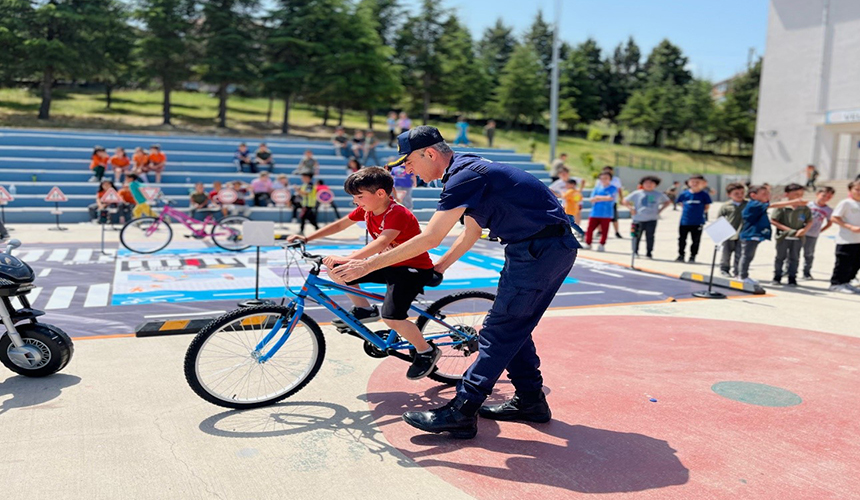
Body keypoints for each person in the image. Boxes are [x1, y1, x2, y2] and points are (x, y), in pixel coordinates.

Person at [330, 126, 578, 440]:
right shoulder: (469, 168)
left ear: (429, 153)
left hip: (540, 251)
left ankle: (462, 410)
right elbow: (471, 231)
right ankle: (531, 402)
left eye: (409, 162)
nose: (407, 171)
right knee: (513, 326)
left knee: (499, 330)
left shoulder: (465, 177)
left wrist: (366, 265)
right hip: (534, 249)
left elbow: (432, 236)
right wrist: (440, 267)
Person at [287, 167, 441, 379]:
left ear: (380, 194)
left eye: (360, 196)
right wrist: (307, 238)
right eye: (353, 197)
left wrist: (351, 259)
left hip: (411, 270)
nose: (355, 201)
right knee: (338, 270)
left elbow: (382, 242)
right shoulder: (368, 210)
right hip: (388, 264)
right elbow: (341, 224)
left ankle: (426, 351)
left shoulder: (397, 213)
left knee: (392, 317)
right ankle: (364, 309)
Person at [737, 185, 805, 285]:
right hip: (750, 234)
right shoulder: (754, 204)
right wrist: (793, 202)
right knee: (747, 256)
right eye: (764, 194)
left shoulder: (758, 204)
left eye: (768, 194)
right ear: (753, 195)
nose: (767, 196)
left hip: (755, 234)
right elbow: (773, 205)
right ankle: (742, 276)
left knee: (749, 256)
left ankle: (743, 275)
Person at [770, 183, 813, 286]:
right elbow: (773, 220)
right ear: (787, 194)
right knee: (780, 257)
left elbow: (809, 221)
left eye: (801, 194)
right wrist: (789, 230)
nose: (799, 196)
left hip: (798, 238)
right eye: (796, 194)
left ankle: (792, 278)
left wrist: (804, 230)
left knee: (795, 258)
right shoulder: (782, 206)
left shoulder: (804, 208)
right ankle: (777, 277)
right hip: (783, 236)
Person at [624, 176, 671, 258]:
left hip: (652, 219)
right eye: (646, 183)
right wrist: (630, 208)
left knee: (650, 236)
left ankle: (649, 252)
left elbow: (667, 202)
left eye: (651, 183)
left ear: (655, 185)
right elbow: (625, 200)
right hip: (637, 218)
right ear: (642, 184)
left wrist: (660, 210)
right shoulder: (637, 193)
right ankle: (635, 251)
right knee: (635, 236)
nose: (649, 185)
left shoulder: (658, 194)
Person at [828, 180, 860, 294]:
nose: (859, 192)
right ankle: (836, 284)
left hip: (858, 240)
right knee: (843, 263)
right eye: (857, 189)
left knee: (855, 263)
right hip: (846, 240)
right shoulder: (846, 203)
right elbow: (834, 218)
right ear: (850, 190)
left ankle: (846, 282)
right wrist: (850, 227)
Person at [676, 174, 712, 263]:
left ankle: (693, 256)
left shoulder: (704, 195)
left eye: (697, 182)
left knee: (695, 240)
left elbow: (707, 207)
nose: (695, 184)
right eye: (692, 182)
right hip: (684, 221)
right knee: (682, 239)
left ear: (703, 183)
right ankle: (681, 255)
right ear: (688, 183)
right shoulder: (684, 194)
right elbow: (680, 203)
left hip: (698, 222)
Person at [802, 186, 835, 280]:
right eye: (823, 195)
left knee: (809, 254)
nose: (825, 198)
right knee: (793, 252)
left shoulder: (828, 210)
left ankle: (806, 272)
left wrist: (820, 230)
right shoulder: (808, 205)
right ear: (817, 194)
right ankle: (788, 270)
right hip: (800, 232)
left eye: (829, 197)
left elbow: (830, 223)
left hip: (812, 234)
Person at [717, 183, 748, 277]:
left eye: (742, 193)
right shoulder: (726, 206)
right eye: (736, 193)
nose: (740, 195)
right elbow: (719, 219)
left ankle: (738, 271)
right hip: (728, 233)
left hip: (743, 233)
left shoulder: (748, 204)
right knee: (726, 253)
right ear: (729, 195)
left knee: (740, 254)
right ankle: (724, 269)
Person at [583, 171, 618, 252]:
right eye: (602, 178)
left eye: (606, 178)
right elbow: (592, 199)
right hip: (595, 212)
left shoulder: (613, 188)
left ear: (610, 179)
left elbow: (610, 198)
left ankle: (602, 244)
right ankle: (588, 243)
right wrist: (602, 198)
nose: (603, 180)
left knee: (604, 230)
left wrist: (598, 197)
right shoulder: (597, 188)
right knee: (590, 229)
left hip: (606, 213)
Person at [603, 166, 625, 239]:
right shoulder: (600, 180)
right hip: (602, 201)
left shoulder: (616, 180)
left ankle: (616, 231)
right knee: (600, 217)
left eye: (609, 170)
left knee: (614, 218)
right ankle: (599, 231)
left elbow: (619, 189)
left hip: (612, 201)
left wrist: (621, 198)